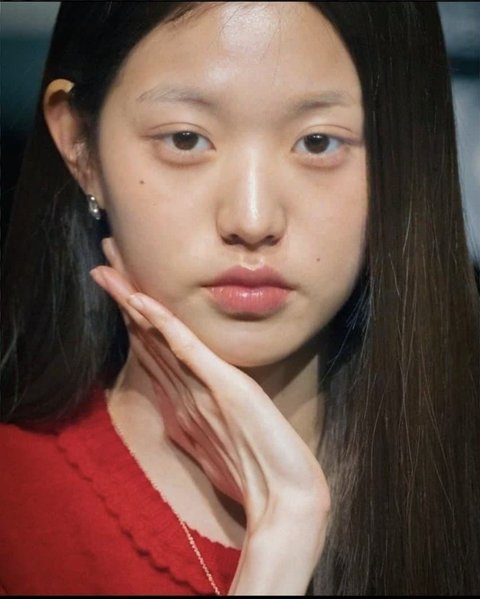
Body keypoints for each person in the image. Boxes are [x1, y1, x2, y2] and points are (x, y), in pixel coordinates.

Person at [1, 1, 479, 595]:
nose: (252, 220)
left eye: (318, 143)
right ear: (81, 146)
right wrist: (281, 543)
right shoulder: (16, 513)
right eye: (185, 139)